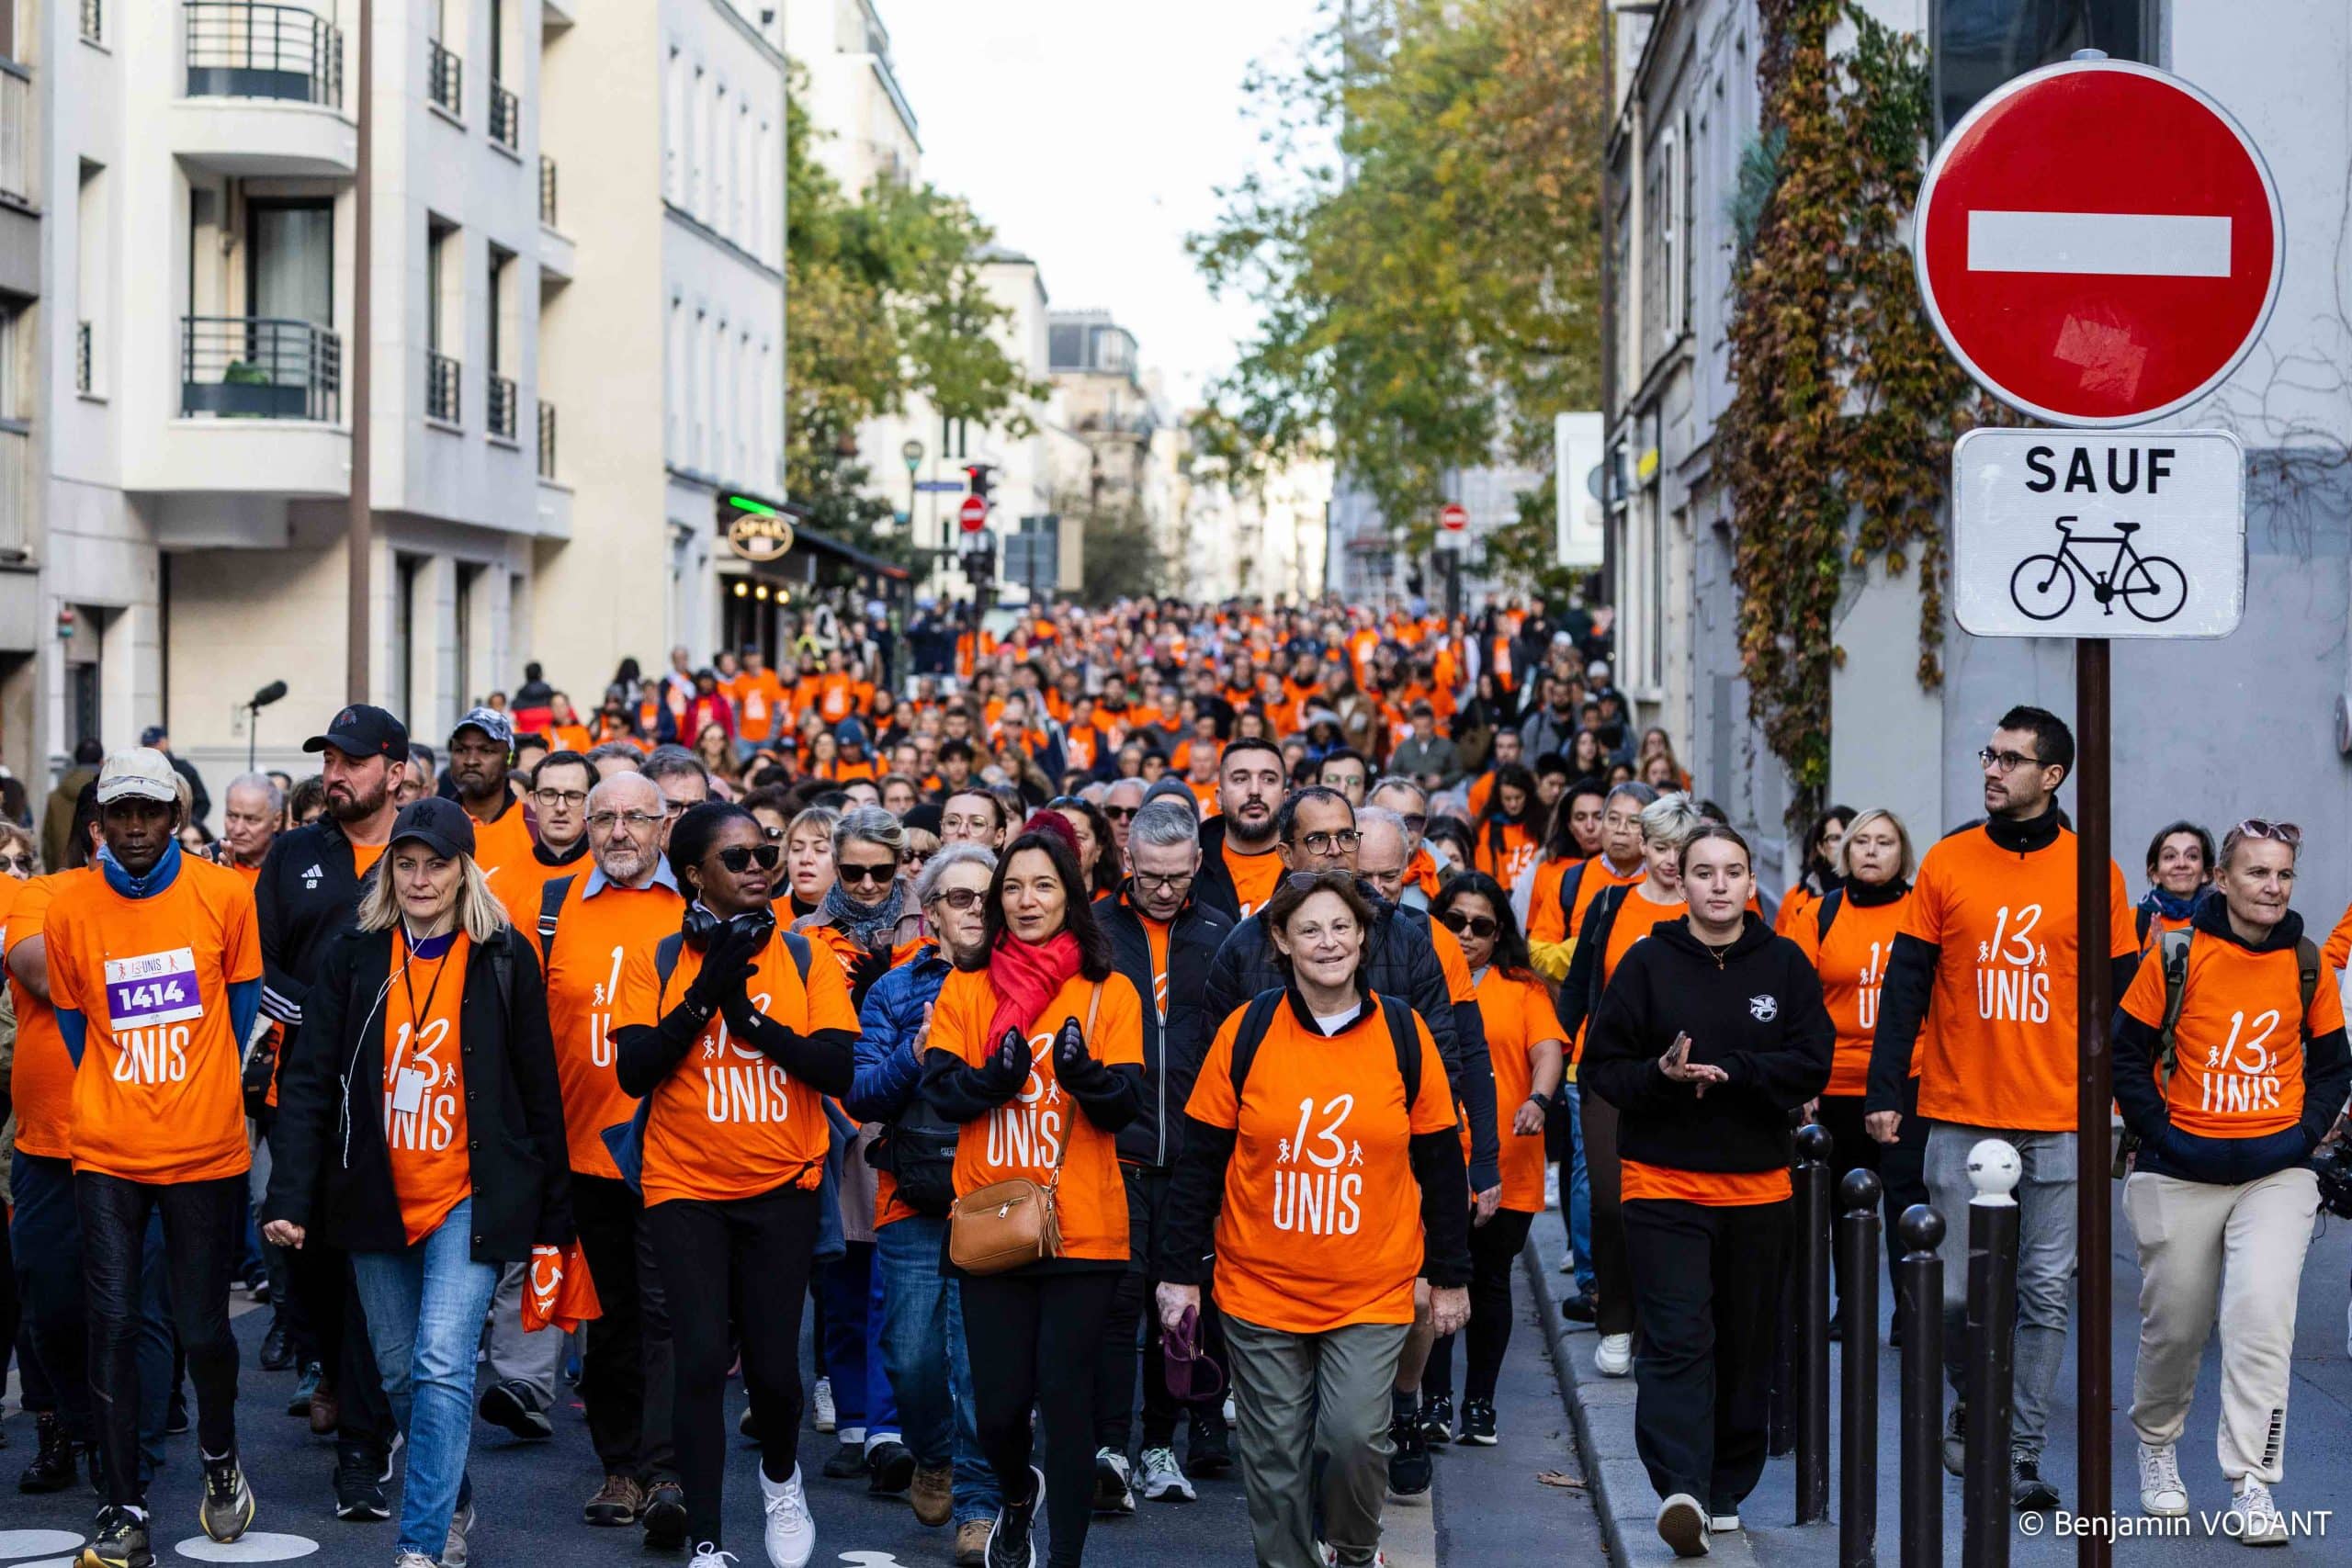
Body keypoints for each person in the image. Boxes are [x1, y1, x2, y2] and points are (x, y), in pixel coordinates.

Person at [264, 796, 572, 1568]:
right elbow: (307, 1082)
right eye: (407, 863)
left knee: (440, 1362)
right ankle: (451, 1492)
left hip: (467, 1194)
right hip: (372, 1194)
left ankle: (422, 1543)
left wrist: (553, 1214)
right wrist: (291, 1197)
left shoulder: (502, 955)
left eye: (437, 863)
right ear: (389, 869)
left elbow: (540, 1087)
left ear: (464, 870)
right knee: (400, 1371)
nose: (421, 878)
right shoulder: (354, 952)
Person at [1863, 706, 2137, 1511]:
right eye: (1990, 753)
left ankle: (2017, 1448)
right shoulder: (1948, 863)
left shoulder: (2098, 873)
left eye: (2012, 759)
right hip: (1958, 1108)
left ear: (2052, 776)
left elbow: (2120, 1004)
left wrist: (2115, 1110)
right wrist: (1887, 1094)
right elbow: (1907, 984)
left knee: (2045, 1290)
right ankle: (1970, 1396)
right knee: (1951, 1289)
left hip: (2059, 1117)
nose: (1993, 768)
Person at [1157, 871, 1470, 1568]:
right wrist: (1180, 1276)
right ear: (1281, 940)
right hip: (1259, 1289)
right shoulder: (1247, 1030)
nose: (1328, 942)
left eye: (1341, 927)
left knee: (1354, 1437)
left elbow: (1442, 1165)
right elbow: (1200, 1161)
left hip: (1371, 1288)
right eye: (1309, 929)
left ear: (1363, 937)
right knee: (1275, 1462)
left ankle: (1355, 1552)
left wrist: (1450, 1278)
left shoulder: (1403, 1033)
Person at [614, 801, 861, 1568]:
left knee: (776, 1373)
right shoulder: (654, 958)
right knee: (694, 1359)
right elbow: (635, 1069)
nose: (759, 867)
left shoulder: (808, 955)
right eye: (739, 858)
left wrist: (748, 1020)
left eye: (765, 854)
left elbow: (836, 1067)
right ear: (693, 875)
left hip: (781, 1183)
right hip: (683, 1183)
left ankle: (782, 1479)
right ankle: (708, 1541)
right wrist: (701, 994)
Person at [1582, 824, 1832, 1558]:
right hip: (1662, 1184)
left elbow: (1812, 1060)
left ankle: (1725, 1484)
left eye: (1733, 871)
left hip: (1757, 1189)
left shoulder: (1784, 963)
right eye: (1704, 872)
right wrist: (1661, 1076)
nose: (1719, 885)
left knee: (1746, 1344)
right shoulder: (1646, 963)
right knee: (1678, 1337)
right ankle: (1680, 1487)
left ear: (1752, 881)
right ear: (1680, 881)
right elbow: (1603, 1066)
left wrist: (1743, 1073)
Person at [47, 748, 266, 1567]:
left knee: (204, 1328)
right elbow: (77, 1028)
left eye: (151, 811)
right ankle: (121, 1504)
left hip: (205, 1151)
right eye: (120, 813)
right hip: (105, 1146)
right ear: (98, 823)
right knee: (112, 1321)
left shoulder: (225, 894)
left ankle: (219, 1458)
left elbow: (240, 1013)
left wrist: (188, 1088)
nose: (136, 827)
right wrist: (122, 1094)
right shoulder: (69, 907)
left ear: (176, 817)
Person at [2112, 818, 2347, 1543]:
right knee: (2177, 1326)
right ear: (2223, 879)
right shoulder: (2176, 953)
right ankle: (2157, 1442)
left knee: (2260, 1314)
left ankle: (2252, 1479)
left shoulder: (2307, 962)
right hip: (2178, 1170)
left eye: (2283, 874)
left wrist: (2302, 1137)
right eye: (2257, 873)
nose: (2272, 887)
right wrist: (2166, 1134)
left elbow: (2335, 1066)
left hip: (2275, 1175)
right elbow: (2124, 1057)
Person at [920, 828, 1146, 1568]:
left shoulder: (1108, 990)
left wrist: (1082, 1075)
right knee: (998, 1411)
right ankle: (1018, 1494)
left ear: (1070, 896)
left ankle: (1067, 1558)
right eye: (1013, 887)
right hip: (991, 1227)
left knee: (1066, 1396)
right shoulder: (967, 985)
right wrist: (993, 1078)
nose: (1026, 900)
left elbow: (1126, 1108)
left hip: (1084, 1230)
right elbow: (942, 1094)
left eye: (1043, 885)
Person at [520, 770, 690, 1540]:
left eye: (635, 817)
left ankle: (663, 1474)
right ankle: (618, 1466)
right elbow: (524, 1035)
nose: (620, 831)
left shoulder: (692, 903)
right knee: (610, 1319)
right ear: (586, 827)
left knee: (667, 1314)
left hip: (676, 1152)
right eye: (605, 817)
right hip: (583, 1153)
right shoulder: (551, 910)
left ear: (664, 824)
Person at [258, 704, 411, 1517]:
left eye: (352, 761)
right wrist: (317, 1025)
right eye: (329, 760)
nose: (335, 773)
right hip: (303, 1093)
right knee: (308, 1264)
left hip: (396, 1100)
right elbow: (264, 962)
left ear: (394, 769)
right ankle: (328, 1365)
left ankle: (362, 1443)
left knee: (366, 1273)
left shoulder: (421, 853)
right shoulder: (293, 852)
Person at [849, 846, 1004, 1567]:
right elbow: (863, 1093)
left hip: (995, 1197)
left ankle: (978, 1506)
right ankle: (932, 1453)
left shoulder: (1023, 984)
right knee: (911, 1360)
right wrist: (917, 1049)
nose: (974, 908)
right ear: (931, 911)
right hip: (913, 1194)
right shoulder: (893, 988)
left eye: (984, 896)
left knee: (978, 1363)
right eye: (959, 897)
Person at [1091, 799, 1238, 1508]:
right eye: (1151, 875)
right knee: (1119, 1304)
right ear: (1128, 863)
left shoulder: (1221, 933)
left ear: (1197, 867)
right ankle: (1110, 1448)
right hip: (1111, 1148)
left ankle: (1158, 1446)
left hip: (1192, 1153)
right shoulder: (1095, 929)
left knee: (1179, 1310)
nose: (1164, 889)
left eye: (1178, 876)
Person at [1555, 791, 1704, 1379]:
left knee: (1668, 1205)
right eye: (1661, 846)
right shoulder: (1610, 904)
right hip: (1610, 1072)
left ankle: (1657, 1324)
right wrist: (1554, 1060)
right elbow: (1576, 987)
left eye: (1680, 848)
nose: (1670, 860)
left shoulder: (1708, 908)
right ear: (1642, 845)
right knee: (1612, 1204)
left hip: (1682, 1079)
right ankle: (1616, 1322)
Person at [1419, 872, 1563, 1445]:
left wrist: (1539, 1099)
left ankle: (1479, 1407)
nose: (1466, 934)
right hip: (1435, 1158)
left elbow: (1547, 1051)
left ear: (1498, 932)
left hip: (1508, 1158)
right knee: (1434, 1281)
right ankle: (1433, 1404)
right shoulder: (1420, 975)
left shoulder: (1521, 986)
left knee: (1490, 1280)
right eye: (1454, 921)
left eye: (1481, 925)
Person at [1788, 807, 1917, 1335]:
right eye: (1861, 841)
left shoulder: (1921, 912)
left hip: (1911, 1077)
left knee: (1909, 1198)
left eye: (1884, 842)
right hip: (1837, 1080)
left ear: (1902, 853)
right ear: (1844, 852)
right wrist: (1803, 1082)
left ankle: (1912, 1309)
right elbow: (1796, 1002)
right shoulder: (1818, 914)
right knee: (1845, 1201)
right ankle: (1853, 1306)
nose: (1870, 851)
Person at [1192, 739, 1288, 919]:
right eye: (1240, 779)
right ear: (1219, 798)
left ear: (1286, 797)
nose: (1254, 791)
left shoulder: (1310, 868)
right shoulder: (1190, 869)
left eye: (1268, 779)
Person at [447, 707, 537, 880]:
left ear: (509, 760)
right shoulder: (433, 824)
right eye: (461, 750)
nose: (471, 761)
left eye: (486, 751)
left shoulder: (534, 825)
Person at [1774, 806, 1853, 939]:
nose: (1844, 845)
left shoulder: (1877, 894)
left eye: (1850, 837)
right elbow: (1786, 952)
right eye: (1835, 838)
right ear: (1821, 848)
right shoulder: (1801, 901)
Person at [2137, 820, 2216, 953]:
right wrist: (2155, 955)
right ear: (2154, 873)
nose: (2181, 864)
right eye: (2170, 857)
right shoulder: (2136, 920)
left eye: (2192, 856)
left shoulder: (2221, 918)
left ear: (2206, 873)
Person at [41, 737, 101, 875]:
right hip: (99, 874)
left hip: (63, 874)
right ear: (101, 761)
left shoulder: (55, 797)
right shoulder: (106, 795)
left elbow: (47, 844)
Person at [138, 726, 212, 829]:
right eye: (147, 745)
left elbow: (203, 803)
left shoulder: (184, 769)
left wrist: (188, 825)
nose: (150, 749)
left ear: (165, 743)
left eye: (154, 744)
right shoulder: (139, 771)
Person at [218, 773, 284, 879]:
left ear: (276, 821)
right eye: (232, 816)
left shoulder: (292, 865)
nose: (238, 829)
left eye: (251, 820)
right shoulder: (209, 862)